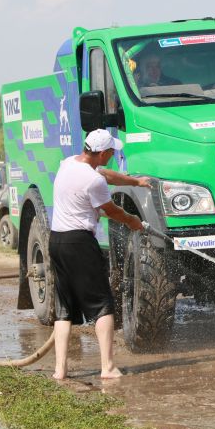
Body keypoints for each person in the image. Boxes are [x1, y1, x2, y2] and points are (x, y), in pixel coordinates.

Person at [49, 129, 151, 379]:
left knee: (64, 307)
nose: (113, 155)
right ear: (103, 152)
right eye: (112, 151)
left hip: (57, 240)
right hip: (79, 243)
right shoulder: (92, 181)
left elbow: (107, 175)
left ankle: (59, 370)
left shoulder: (68, 163)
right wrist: (133, 221)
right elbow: (112, 210)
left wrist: (135, 181)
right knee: (103, 304)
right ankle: (107, 367)